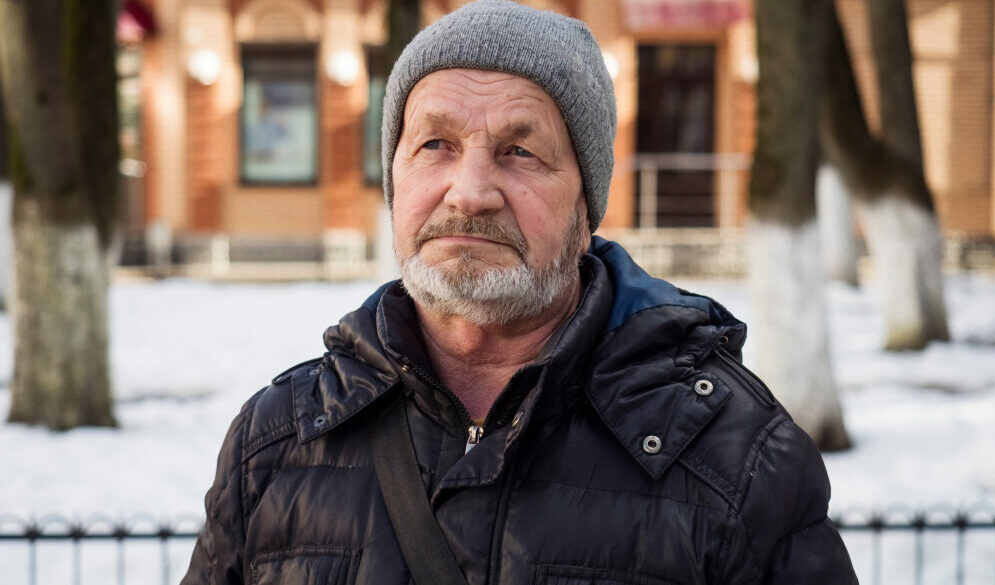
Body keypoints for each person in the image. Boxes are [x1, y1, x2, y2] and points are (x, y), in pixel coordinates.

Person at [181, 1, 858, 584]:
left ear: (585, 207)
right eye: (436, 144)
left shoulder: (733, 458)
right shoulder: (275, 445)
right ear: (396, 179)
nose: (471, 192)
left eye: (521, 152)